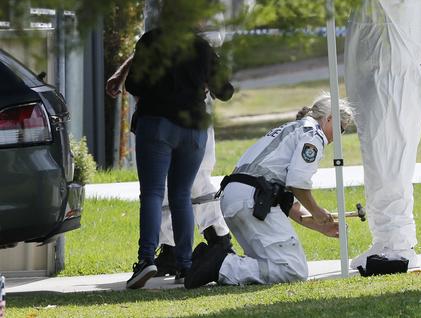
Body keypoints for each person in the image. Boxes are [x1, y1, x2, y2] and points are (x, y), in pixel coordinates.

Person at [184, 94, 354, 288]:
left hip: (237, 198)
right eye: (340, 129)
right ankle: (220, 263)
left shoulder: (289, 129)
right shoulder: (313, 135)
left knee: (270, 266)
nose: (339, 137)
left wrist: (320, 225)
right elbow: (298, 182)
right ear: (330, 118)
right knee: (293, 270)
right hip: (253, 201)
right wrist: (316, 211)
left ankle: (209, 261)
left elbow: (286, 201)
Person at [344, 0, 421, 273]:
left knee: (391, 165)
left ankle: (398, 244)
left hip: (393, 84)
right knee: (376, 165)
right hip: (375, 81)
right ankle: (384, 240)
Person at [106, 48, 234, 282]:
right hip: (192, 125)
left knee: (155, 193)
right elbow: (224, 91)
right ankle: (183, 263)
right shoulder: (201, 47)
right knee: (181, 194)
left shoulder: (152, 40)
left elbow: (134, 85)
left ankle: (148, 259)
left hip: (157, 123)